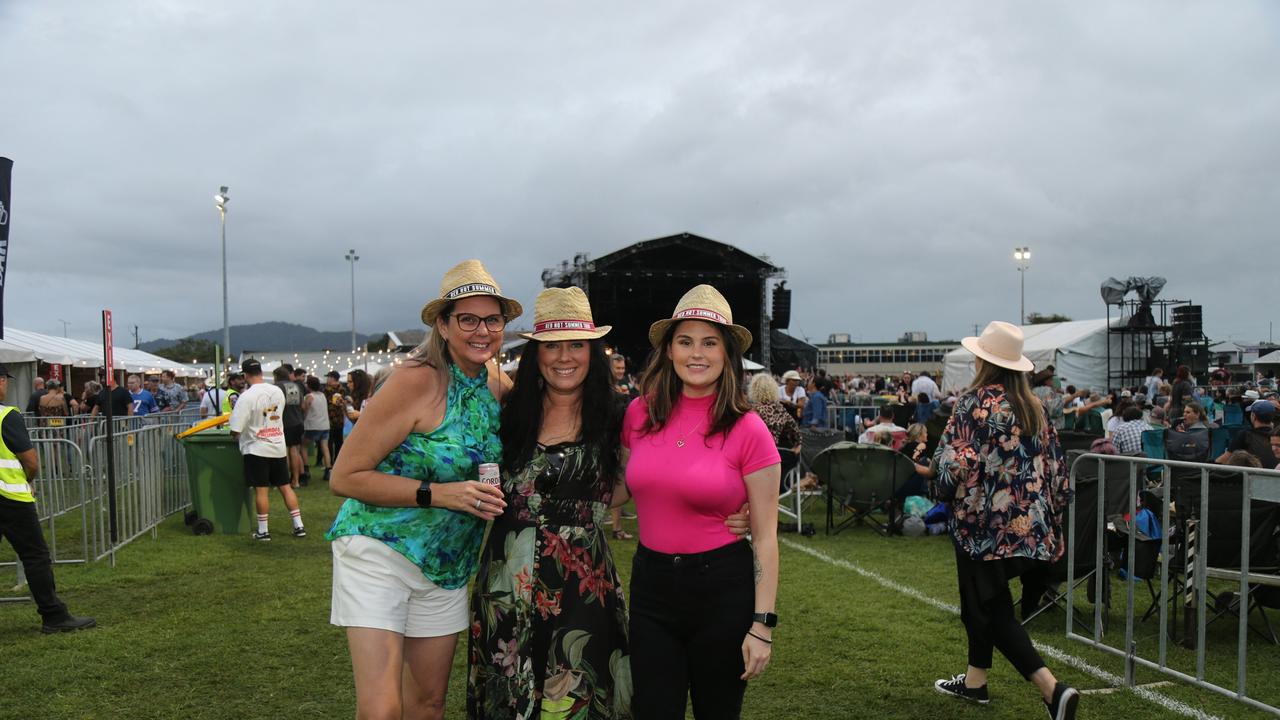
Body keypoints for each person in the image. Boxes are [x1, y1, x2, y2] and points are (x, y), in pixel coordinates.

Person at [326, 259, 514, 720]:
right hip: (381, 550)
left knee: (428, 704)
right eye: (467, 319)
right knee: (383, 707)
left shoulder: (495, 384)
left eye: (492, 319)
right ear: (443, 325)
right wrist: (439, 493)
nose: (482, 330)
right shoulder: (415, 380)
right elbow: (345, 476)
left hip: (447, 564)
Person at [468, 286, 633, 718]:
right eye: (552, 345)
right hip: (508, 578)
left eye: (576, 344)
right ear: (535, 354)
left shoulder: (620, 416)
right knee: (510, 693)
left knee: (577, 697)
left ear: (593, 351)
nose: (564, 357)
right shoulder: (507, 411)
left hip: (584, 581)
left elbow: (644, 480)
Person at [621, 284, 780, 719]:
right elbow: (620, 488)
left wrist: (762, 626)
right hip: (651, 587)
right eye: (685, 341)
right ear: (668, 350)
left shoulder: (749, 429)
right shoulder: (639, 413)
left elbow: (766, 537)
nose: (697, 353)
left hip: (722, 591)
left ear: (727, 353)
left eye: (710, 342)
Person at [931, 321, 1078, 719]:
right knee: (980, 603)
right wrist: (1057, 521)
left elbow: (953, 464)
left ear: (983, 360)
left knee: (989, 609)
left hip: (984, 527)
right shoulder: (1035, 406)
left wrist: (933, 477)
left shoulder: (973, 404)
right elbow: (1058, 471)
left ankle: (1052, 689)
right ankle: (975, 681)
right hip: (1031, 526)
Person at [0, 363, 96, 633]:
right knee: (35, 556)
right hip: (10, 498)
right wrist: (27, 481)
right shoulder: (6, 415)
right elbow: (31, 461)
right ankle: (53, 615)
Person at [228, 359, 306, 541]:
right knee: (285, 487)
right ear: (261, 372)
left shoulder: (246, 396)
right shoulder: (277, 391)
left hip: (257, 448)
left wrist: (236, 434)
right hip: (278, 445)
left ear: (245, 375)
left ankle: (263, 531)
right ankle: (299, 525)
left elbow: (236, 429)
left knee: (261, 490)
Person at [273, 365, 307, 488]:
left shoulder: (277, 387)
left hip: (284, 423)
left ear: (276, 376)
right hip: (298, 422)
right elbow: (302, 406)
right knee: (294, 451)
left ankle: (285, 481)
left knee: (284, 452)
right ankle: (296, 481)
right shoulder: (296, 386)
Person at [1216, 400, 1277, 467]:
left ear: (1253, 416)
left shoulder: (1244, 435)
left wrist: (1211, 465)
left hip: (1253, 476)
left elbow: (1226, 458)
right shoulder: (1277, 435)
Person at [747, 374, 800, 452]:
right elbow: (795, 431)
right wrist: (797, 447)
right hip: (776, 452)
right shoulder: (780, 409)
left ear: (753, 389)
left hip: (758, 452)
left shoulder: (752, 410)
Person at [301, 376, 333, 481]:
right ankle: (328, 470)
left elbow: (305, 410)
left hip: (312, 426)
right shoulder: (322, 395)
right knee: (325, 447)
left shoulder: (309, 396)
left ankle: (306, 469)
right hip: (324, 425)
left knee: (304, 447)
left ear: (309, 385)